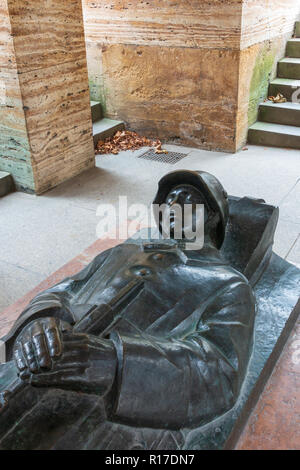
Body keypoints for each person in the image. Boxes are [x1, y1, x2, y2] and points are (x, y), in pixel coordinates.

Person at [0, 170, 256, 450]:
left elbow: (220, 373)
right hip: (30, 372)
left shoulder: (228, 283)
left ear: (212, 215)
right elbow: (64, 290)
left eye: (187, 198)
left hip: (115, 423)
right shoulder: (122, 252)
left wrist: (113, 362)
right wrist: (43, 322)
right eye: (169, 200)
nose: (173, 205)